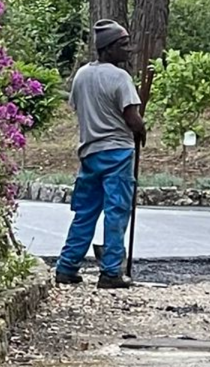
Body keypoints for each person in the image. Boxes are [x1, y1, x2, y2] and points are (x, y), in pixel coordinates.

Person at [57, 20, 146, 289]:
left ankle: (67, 266)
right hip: (117, 152)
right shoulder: (120, 78)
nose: (128, 50)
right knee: (116, 210)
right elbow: (131, 116)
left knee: (85, 211)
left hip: (90, 151)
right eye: (123, 45)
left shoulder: (82, 75)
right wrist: (141, 129)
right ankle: (110, 272)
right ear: (107, 49)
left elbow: (79, 107)